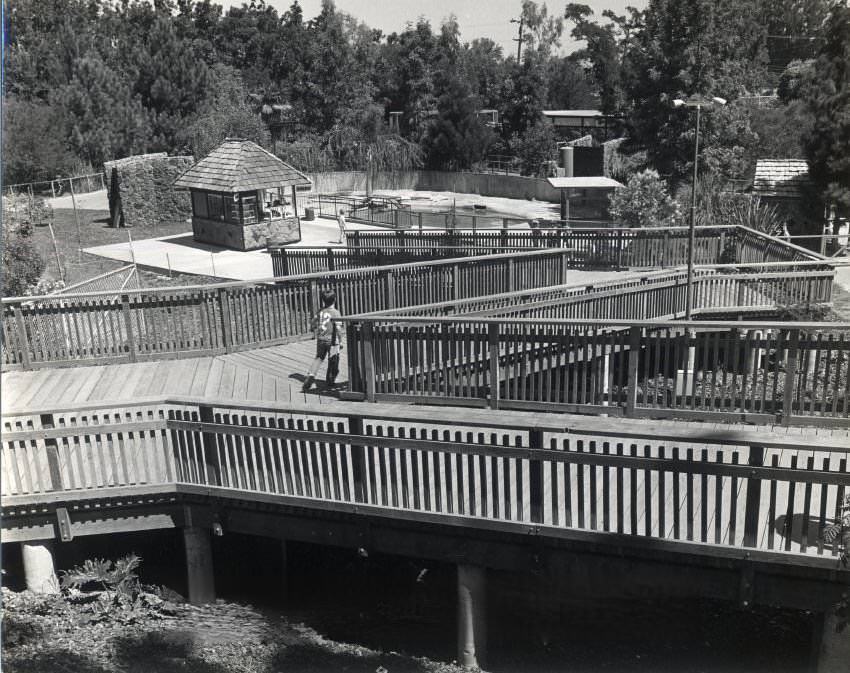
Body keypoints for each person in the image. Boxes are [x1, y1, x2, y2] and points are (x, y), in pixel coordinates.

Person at [303, 290, 345, 392]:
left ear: (323, 301)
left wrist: (312, 327)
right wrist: (341, 340)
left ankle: (311, 375)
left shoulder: (321, 311)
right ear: (335, 300)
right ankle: (330, 379)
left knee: (318, 358)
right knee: (333, 360)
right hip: (332, 341)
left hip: (321, 339)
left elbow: (313, 320)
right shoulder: (336, 313)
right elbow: (339, 329)